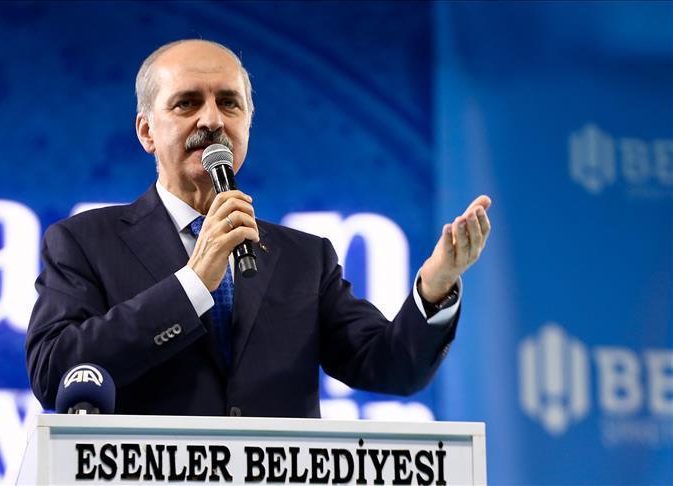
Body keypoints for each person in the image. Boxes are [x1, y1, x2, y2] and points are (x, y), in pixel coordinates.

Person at [26, 39, 491, 417]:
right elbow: (55, 371)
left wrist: (435, 287)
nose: (212, 120)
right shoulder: (84, 242)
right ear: (147, 131)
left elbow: (392, 368)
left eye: (229, 103)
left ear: (247, 122)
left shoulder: (305, 258)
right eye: (187, 103)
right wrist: (192, 286)